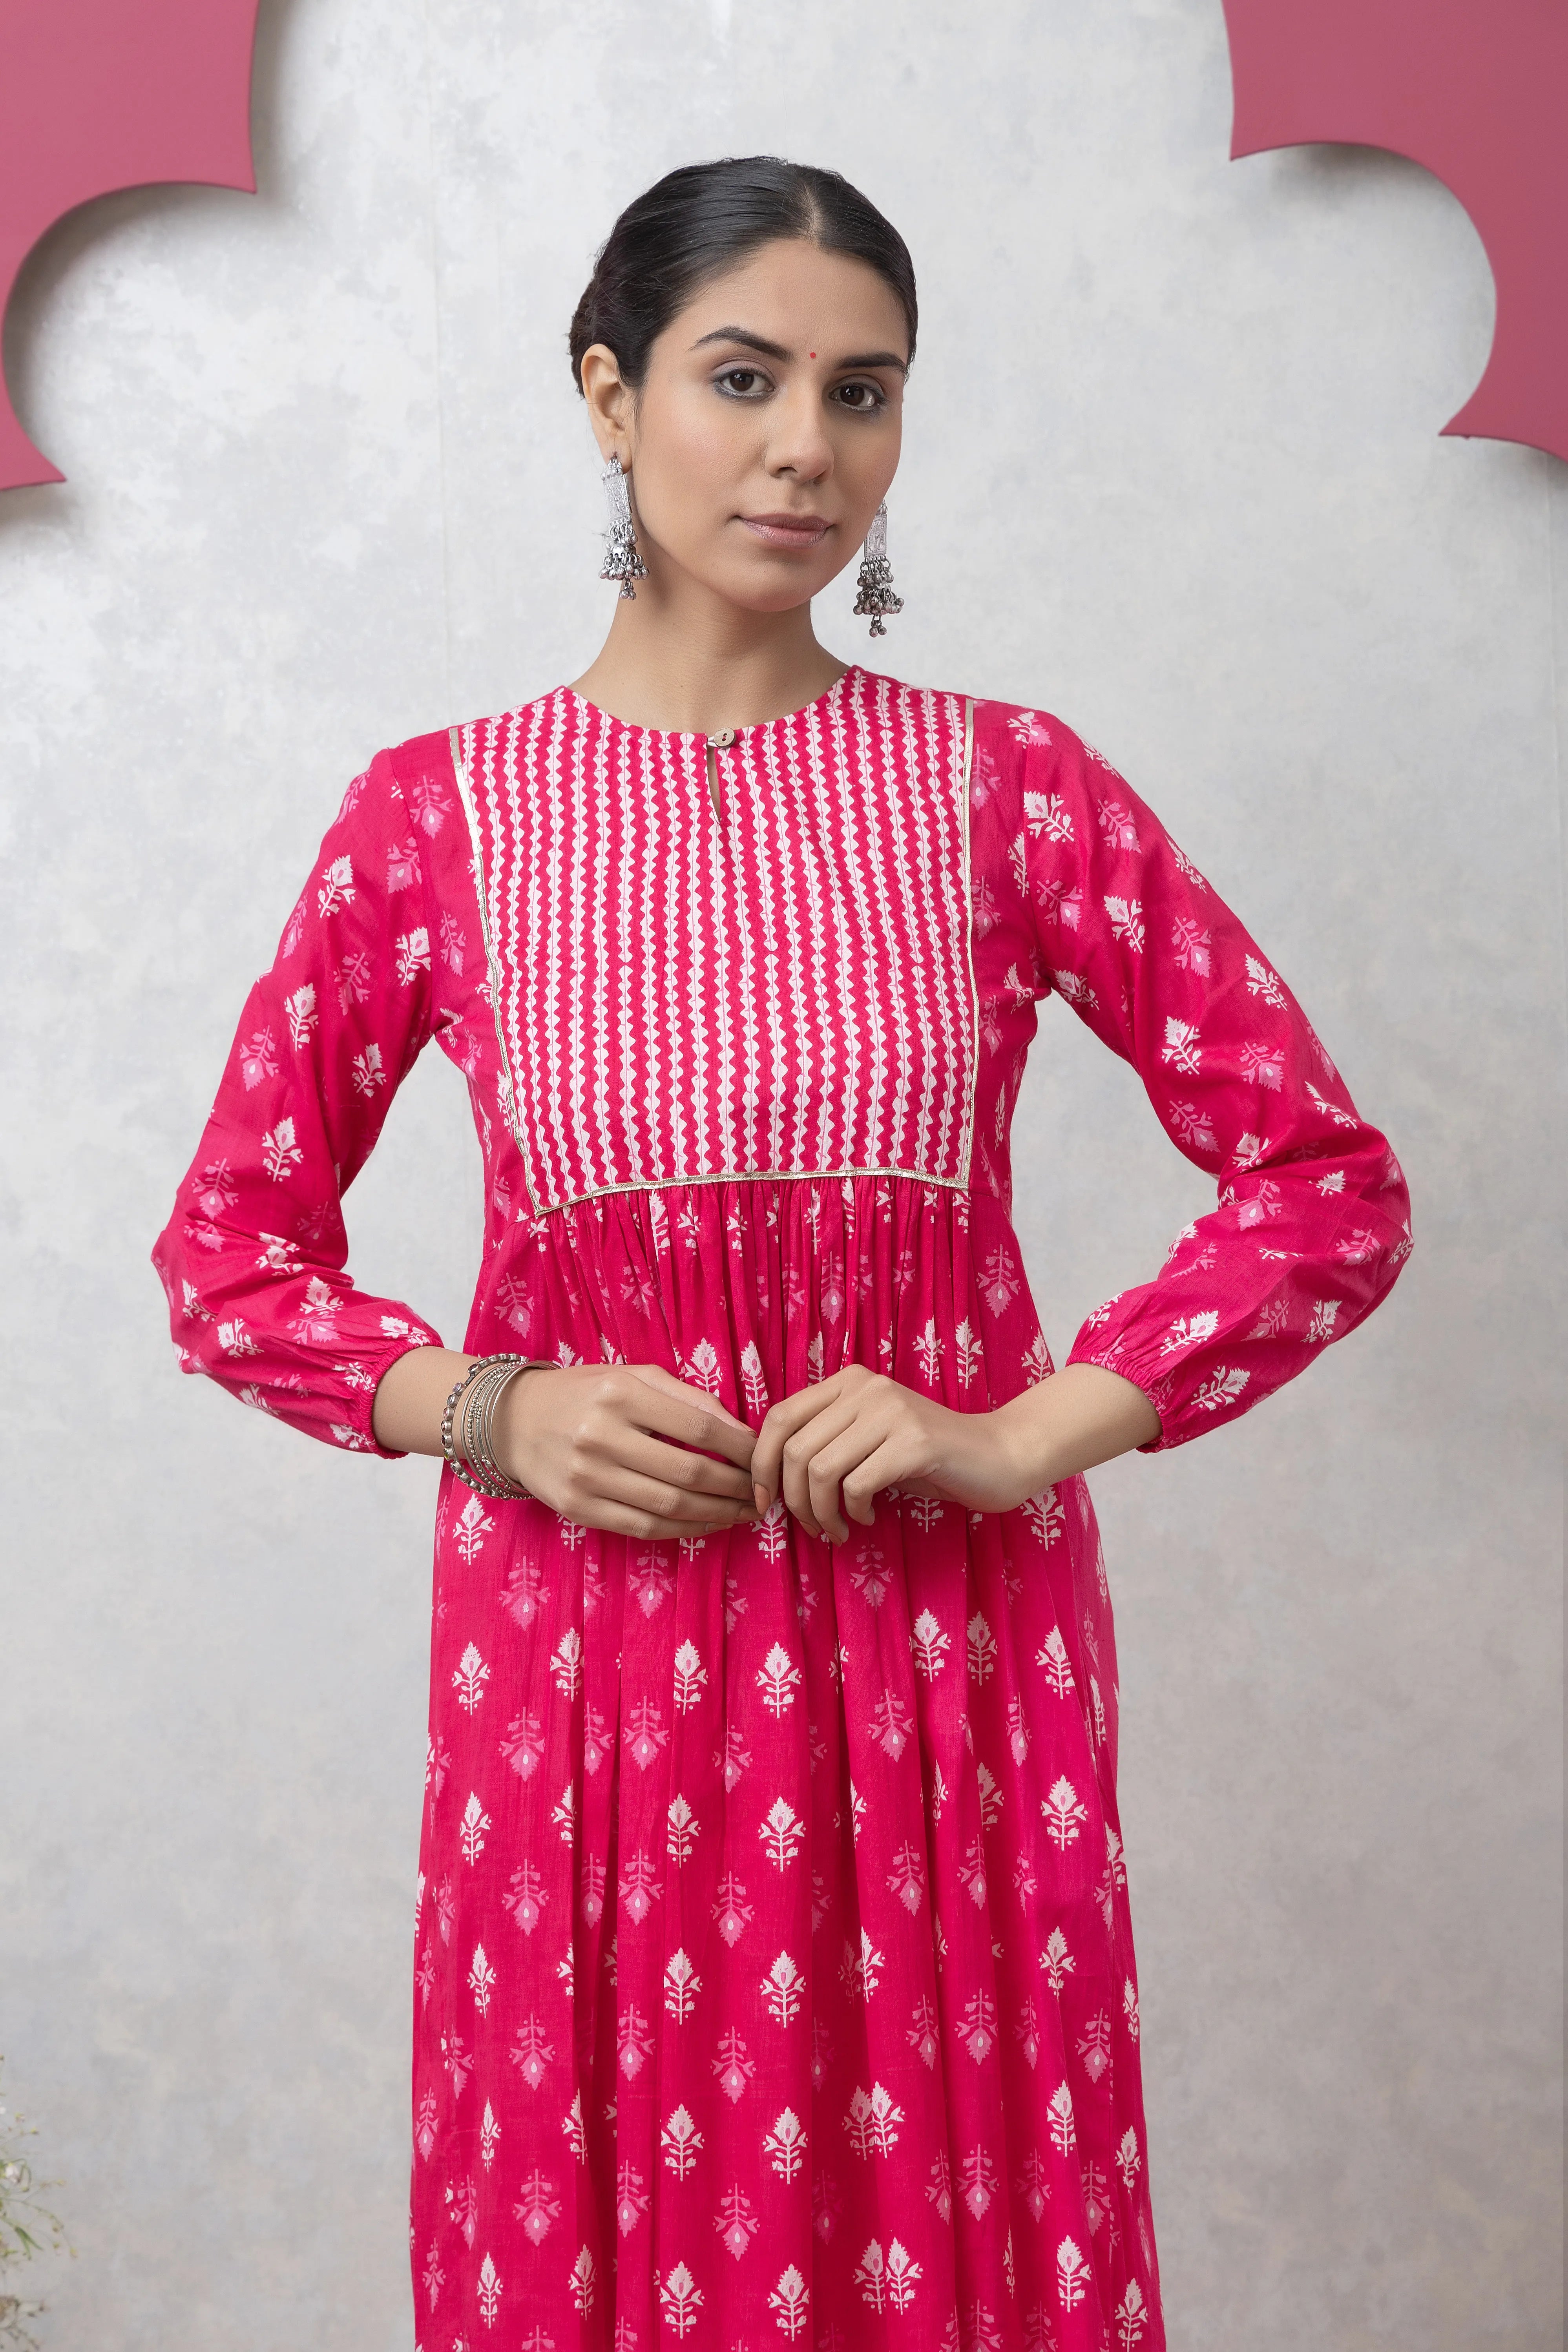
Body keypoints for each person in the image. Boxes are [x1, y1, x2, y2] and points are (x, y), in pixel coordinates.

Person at [153, 156, 1411, 2352]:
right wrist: (495, 1408)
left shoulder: (1010, 792)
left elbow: (1322, 1184)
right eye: (744, 379)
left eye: (865, 390)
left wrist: (1024, 1438)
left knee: (962, 2223)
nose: (810, 446)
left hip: (947, 1670)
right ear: (609, 394)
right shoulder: (434, 821)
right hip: (582, 1688)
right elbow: (231, 1255)